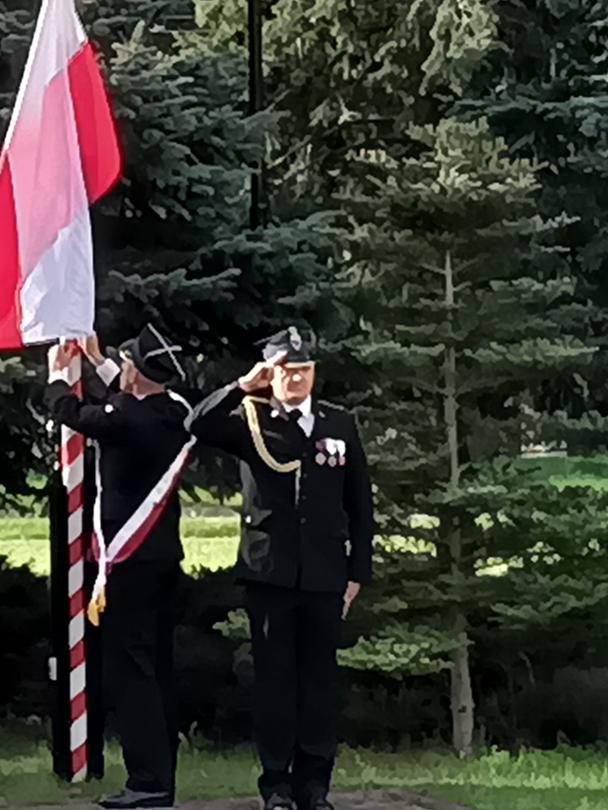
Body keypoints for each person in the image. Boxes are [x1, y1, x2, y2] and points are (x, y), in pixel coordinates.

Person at [187, 327, 372, 810]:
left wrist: (357, 572)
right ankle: (277, 786)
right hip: (270, 574)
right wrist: (242, 386)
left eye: (304, 370)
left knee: (318, 686)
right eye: (286, 371)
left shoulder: (338, 423)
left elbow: (359, 503)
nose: (296, 379)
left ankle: (315, 787)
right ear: (270, 374)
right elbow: (196, 423)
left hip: (325, 575)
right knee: (275, 685)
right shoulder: (250, 419)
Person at [46, 325, 196, 809]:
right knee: (157, 670)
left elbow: (75, 413)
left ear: (136, 371)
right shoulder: (174, 410)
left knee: (132, 673)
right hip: (162, 557)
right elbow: (126, 398)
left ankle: (148, 782)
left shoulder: (127, 418)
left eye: (126, 362)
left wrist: (57, 377)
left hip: (128, 564)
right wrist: (100, 362)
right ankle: (161, 776)